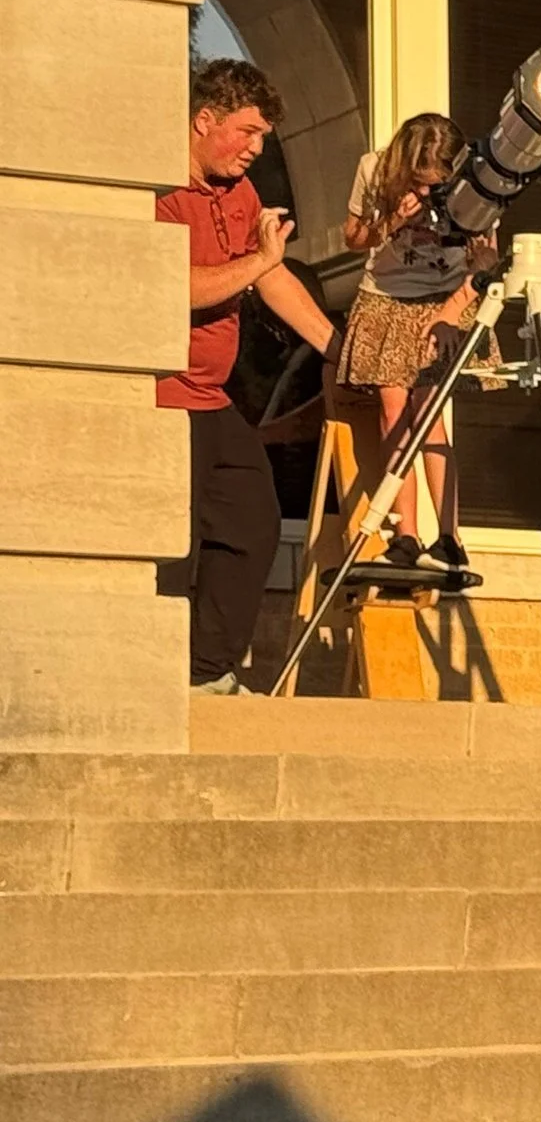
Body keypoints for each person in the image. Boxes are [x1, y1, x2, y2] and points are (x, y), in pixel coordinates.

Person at [159, 62, 337, 695]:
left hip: (209, 397)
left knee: (252, 522)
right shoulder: (157, 189)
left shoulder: (239, 191)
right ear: (204, 120)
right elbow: (175, 286)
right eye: (248, 132)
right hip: (159, 396)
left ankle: (206, 674)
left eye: (263, 136)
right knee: (172, 543)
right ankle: (156, 675)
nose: (257, 149)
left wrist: (334, 347)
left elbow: (271, 276)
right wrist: (260, 259)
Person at [338, 113, 497, 575]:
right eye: (420, 181)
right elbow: (353, 239)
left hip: (444, 299)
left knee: (429, 412)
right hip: (386, 296)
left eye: (436, 183)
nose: (428, 192)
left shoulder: (480, 185)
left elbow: (486, 264)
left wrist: (454, 310)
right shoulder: (373, 168)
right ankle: (405, 534)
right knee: (392, 411)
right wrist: (391, 220)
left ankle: (449, 538)